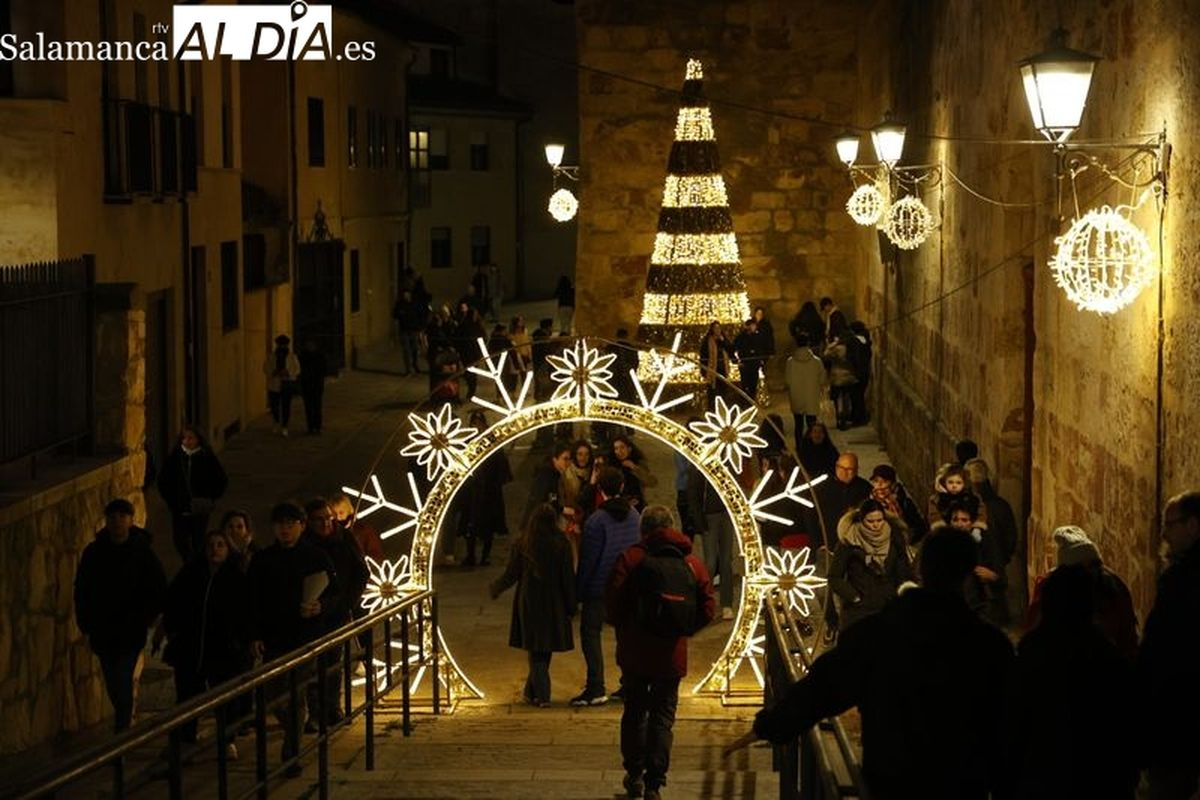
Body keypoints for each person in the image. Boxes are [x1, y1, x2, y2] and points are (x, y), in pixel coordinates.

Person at [731, 527, 1013, 800]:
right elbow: (1008, 727)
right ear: (967, 572)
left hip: (894, 778)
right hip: (960, 783)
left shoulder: (880, 634)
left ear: (922, 569)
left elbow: (825, 687)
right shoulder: (989, 645)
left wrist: (771, 725)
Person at [606, 506, 716, 800]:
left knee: (634, 712)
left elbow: (613, 603)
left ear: (642, 530)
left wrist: (627, 627)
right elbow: (708, 607)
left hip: (635, 652)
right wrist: (684, 628)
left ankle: (634, 774)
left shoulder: (631, 559)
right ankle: (656, 781)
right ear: (672, 526)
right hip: (671, 654)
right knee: (663, 717)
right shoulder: (691, 562)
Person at [1006, 564, 1138, 799]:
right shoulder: (1108, 659)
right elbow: (1127, 730)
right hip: (1097, 781)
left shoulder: (1030, 656)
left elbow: (1014, 727)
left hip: (1040, 781)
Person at [248, 502, 339, 773]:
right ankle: (294, 729)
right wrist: (254, 634)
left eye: (291, 523)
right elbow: (252, 600)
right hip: (274, 637)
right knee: (273, 694)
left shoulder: (316, 556)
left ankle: (292, 751)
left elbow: (335, 593)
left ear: (301, 525)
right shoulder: (263, 560)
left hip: (305, 636)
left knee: (296, 692)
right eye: (280, 524)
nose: (285, 529)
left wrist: (320, 606)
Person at [74, 499, 168, 731]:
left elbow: (158, 587)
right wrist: (86, 624)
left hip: (130, 629)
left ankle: (122, 730)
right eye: (112, 517)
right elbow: (83, 589)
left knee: (123, 678)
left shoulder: (142, 553)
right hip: (103, 629)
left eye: (122, 516)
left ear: (130, 520)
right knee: (112, 681)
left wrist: (146, 616)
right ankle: (123, 720)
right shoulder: (94, 553)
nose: (117, 522)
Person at [160, 529, 252, 754]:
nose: (215, 549)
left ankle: (226, 739)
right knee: (187, 696)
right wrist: (172, 630)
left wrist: (242, 640)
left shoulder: (236, 577)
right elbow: (173, 601)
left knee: (224, 697)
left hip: (223, 649)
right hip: (191, 647)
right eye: (211, 544)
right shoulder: (191, 573)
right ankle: (186, 740)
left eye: (221, 545)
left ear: (229, 549)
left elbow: (246, 611)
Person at [1138, 491, 1200, 799]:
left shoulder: (1181, 582)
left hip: (1177, 715)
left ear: (1193, 526)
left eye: (1170, 525)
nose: (1164, 534)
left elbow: (1162, 651)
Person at [489, 503, 577, 707]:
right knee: (543, 649)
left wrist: (496, 587)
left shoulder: (524, 543)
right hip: (553, 602)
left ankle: (534, 693)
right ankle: (540, 695)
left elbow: (512, 573)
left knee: (535, 647)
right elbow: (567, 578)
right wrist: (572, 604)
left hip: (529, 601)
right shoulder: (561, 543)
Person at [571, 467, 641, 707]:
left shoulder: (596, 520)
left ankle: (596, 686)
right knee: (626, 636)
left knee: (591, 634)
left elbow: (589, 559)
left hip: (599, 587)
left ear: (600, 489)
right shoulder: (634, 515)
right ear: (621, 487)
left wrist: (578, 591)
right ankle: (629, 683)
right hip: (628, 586)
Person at [301, 498, 367, 730]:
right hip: (311, 614)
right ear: (308, 522)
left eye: (329, 518)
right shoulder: (305, 544)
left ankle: (333, 707)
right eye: (319, 520)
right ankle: (315, 712)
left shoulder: (344, 537)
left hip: (337, 610)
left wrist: (347, 602)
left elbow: (361, 571)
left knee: (333, 662)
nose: (326, 524)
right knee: (313, 665)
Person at [829, 499, 914, 632]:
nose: (876, 525)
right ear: (862, 519)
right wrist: (854, 597)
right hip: (859, 611)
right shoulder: (849, 541)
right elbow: (834, 576)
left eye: (879, 520)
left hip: (889, 606)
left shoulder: (895, 538)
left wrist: (902, 595)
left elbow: (903, 569)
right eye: (871, 521)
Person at [157, 425, 228, 563]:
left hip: (200, 508)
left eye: (190, 438)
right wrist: (171, 501)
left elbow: (221, 480)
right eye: (184, 438)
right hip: (179, 507)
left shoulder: (207, 456)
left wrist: (211, 498)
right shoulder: (175, 457)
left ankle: (196, 564)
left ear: (198, 439)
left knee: (198, 539)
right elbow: (163, 481)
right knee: (179, 540)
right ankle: (189, 561)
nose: (187, 441)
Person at [964, 457, 1022, 617]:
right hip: (993, 574)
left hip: (982, 578)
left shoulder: (973, 508)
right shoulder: (1001, 506)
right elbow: (1010, 540)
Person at [460, 410, 513, 567]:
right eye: (474, 424)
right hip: (472, 493)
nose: (477, 427)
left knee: (488, 526)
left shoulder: (492, 443)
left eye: (479, 424)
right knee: (471, 525)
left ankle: (485, 556)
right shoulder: (467, 443)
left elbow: (502, 468)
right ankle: (471, 556)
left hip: (489, 493)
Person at [868, 464, 929, 546]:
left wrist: (907, 538)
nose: (879, 485)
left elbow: (919, 527)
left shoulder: (904, 503)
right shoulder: (868, 503)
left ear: (893, 484)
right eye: (876, 481)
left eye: (885, 481)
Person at [785, 332, 826, 450]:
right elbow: (822, 379)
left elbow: (787, 380)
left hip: (796, 397)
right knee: (812, 424)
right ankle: (812, 447)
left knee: (798, 425)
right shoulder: (816, 361)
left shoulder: (790, 362)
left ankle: (799, 447)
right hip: (811, 397)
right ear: (808, 343)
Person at [330, 493, 385, 563]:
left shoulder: (363, 530)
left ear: (349, 511)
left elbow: (376, 555)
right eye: (334, 514)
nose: (338, 517)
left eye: (341, 513)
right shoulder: (329, 532)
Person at [264, 334, 301, 436]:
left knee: (286, 406)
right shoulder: (271, 356)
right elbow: (266, 368)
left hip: (287, 383)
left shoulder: (292, 356)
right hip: (274, 384)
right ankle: (276, 421)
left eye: (284, 345)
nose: (282, 346)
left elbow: (297, 369)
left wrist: (288, 372)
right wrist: (274, 372)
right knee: (274, 406)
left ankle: (285, 425)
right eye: (280, 344)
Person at [611, 434, 657, 511]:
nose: (619, 451)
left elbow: (652, 482)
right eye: (616, 448)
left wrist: (634, 468)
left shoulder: (638, 463)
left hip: (637, 505)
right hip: (617, 505)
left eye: (622, 447)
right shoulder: (612, 465)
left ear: (629, 449)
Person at [392, 290, 428, 376]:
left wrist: (420, 327)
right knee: (406, 350)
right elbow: (395, 314)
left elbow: (421, 315)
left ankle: (415, 365)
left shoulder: (415, 304)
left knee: (415, 349)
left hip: (413, 330)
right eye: (404, 294)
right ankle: (408, 369)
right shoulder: (400, 304)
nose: (406, 296)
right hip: (404, 330)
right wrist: (400, 314)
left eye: (407, 294)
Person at [297, 339, 328, 435]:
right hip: (307, 385)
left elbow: (324, 369)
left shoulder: (319, 356)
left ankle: (317, 427)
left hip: (317, 384)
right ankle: (310, 427)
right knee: (309, 407)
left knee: (317, 406)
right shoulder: (303, 356)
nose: (310, 346)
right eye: (308, 345)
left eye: (311, 345)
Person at [699, 321, 733, 408]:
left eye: (718, 328)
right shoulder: (707, 341)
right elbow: (703, 356)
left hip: (723, 369)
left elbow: (730, 350)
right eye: (715, 328)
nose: (717, 330)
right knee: (713, 391)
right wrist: (704, 370)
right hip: (712, 370)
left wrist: (723, 342)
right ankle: (712, 408)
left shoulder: (724, 339)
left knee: (723, 390)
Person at [732, 318, 765, 401]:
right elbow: (733, 348)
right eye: (753, 325)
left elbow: (761, 348)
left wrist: (760, 360)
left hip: (754, 364)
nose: (754, 327)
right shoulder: (741, 337)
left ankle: (752, 401)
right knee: (745, 384)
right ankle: (745, 402)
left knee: (753, 385)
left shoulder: (758, 337)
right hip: (745, 364)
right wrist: (736, 361)